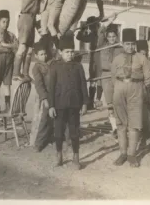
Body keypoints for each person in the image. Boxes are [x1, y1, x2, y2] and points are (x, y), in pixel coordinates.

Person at [13, 0, 67, 82]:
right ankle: (16, 73)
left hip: (31, 19)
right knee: (22, 47)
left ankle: (25, 74)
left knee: (29, 50)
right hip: (26, 19)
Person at [111, 28, 150, 167]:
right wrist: (118, 88)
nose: (129, 47)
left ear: (135, 44)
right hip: (120, 89)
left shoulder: (142, 58)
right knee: (121, 123)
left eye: (132, 44)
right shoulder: (117, 59)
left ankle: (132, 155)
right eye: (127, 44)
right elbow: (112, 77)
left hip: (136, 90)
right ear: (122, 44)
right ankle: (123, 153)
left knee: (134, 124)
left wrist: (141, 91)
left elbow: (148, 78)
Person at [48, 34, 89, 170]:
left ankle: (76, 157)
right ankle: (59, 155)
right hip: (59, 105)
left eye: (72, 51)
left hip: (74, 104)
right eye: (67, 52)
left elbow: (83, 85)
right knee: (58, 132)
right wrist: (51, 106)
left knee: (74, 132)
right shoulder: (55, 67)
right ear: (60, 52)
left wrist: (84, 103)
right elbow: (51, 88)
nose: (70, 54)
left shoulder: (78, 66)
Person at [97, 14, 122, 138]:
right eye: (110, 36)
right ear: (107, 37)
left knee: (119, 102)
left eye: (114, 36)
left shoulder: (120, 48)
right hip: (106, 76)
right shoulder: (102, 45)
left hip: (117, 77)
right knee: (110, 104)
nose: (112, 38)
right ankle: (114, 128)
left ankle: (120, 126)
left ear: (116, 36)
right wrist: (110, 21)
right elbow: (100, 31)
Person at [0, 10, 18, 114]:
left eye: (7, 21)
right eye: (3, 21)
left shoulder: (11, 35)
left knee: (7, 83)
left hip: (9, 60)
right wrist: (10, 47)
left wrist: (5, 45)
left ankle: (7, 106)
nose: (5, 24)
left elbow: (17, 46)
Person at [30, 41, 55, 152]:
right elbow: (39, 84)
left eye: (45, 54)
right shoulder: (37, 67)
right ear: (36, 56)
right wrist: (44, 98)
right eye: (41, 54)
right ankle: (38, 144)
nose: (44, 56)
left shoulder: (51, 63)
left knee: (56, 117)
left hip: (55, 94)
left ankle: (52, 137)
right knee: (45, 119)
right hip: (47, 95)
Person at [76, 16, 103, 110]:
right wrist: (83, 28)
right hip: (93, 58)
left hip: (99, 57)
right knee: (93, 79)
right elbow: (79, 37)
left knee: (98, 79)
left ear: (97, 26)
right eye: (90, 27)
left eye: (92, 27)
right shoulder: (92, 34)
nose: (91, 29)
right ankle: (91, 102)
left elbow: (79, 37)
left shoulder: (97, 34)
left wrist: (83, 29)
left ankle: (96, 100)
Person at [136, 39, 150, 147]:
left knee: (145, 119)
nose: (142, 56)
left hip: (146, 98)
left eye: (144, 54)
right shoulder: (132, 64)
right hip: (134, 98)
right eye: (140, 54)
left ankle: (144, 138)